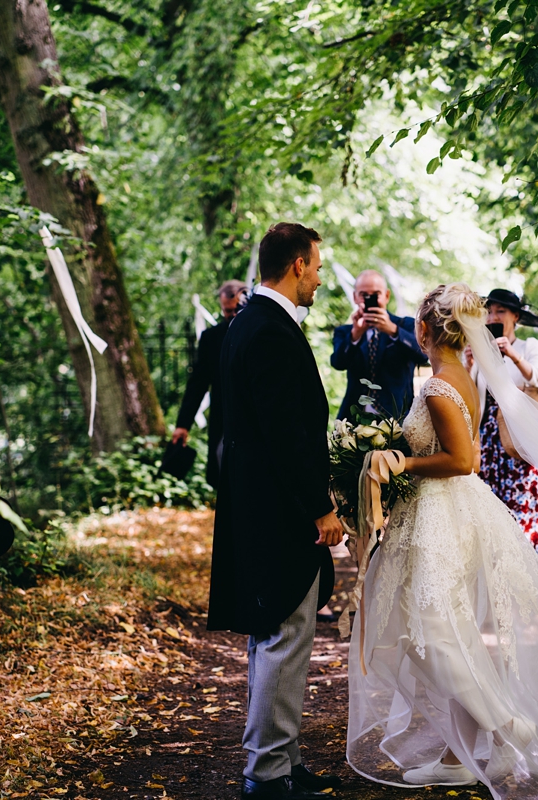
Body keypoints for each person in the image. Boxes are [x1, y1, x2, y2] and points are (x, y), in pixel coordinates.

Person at [348, 283, 538, 799]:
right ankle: (457, 759)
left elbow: (464, 461)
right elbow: (470, 458)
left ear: (424, 330)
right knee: (448, 633)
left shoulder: (442, 386)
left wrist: (401, 462)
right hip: (453, 511)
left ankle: (510, 725)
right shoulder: (460, 376)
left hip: (442, 517)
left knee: (433, 635)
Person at [207, 222, 345, 800]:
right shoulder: (266, 330)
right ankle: (266, 773)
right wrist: (321, 509)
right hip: (279, 513)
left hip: (261, 506)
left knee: (277, 638)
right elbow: (284, 435)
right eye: (315, 266)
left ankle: (280, 761)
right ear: (294, 265)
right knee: (284, 638)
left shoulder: (249, 324)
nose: (318, 278)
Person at [467, 288, 538, 560]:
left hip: (519, 434)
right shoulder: (480, 350)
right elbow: (472, 392)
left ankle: (528, 567)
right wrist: (468, 364)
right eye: (489, 312)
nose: (493, 316)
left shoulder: (528, 347)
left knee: (521, 500)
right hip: (488, 435)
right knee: (491, 505)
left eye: (500, 311)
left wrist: (512, 354)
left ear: (515, 316)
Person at [171, 279, 247, 488]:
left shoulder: (260, 332)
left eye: (236, 310)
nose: (232, 315)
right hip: (223, 419)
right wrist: (183, 425)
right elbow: (197, 383)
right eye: (227, 311)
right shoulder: (211, 338)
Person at [330, 269, 427, 421]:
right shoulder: (345, 332)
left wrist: (393, 331)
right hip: (354, 418)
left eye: (375, 295)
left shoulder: (405, 325)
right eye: (364, 295)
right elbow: (338, 362)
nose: (369, 299)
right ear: (355, 297)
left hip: (397, 419)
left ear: (386, 295)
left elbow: (422, 356)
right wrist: (355, 334)